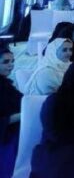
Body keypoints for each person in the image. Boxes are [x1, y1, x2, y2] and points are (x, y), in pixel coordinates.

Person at [0, 44, 21, 178]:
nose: (11, 65)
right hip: (5, 138)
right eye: (6, 62)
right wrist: (22, 115)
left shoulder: (5, 84)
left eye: (12, 61)